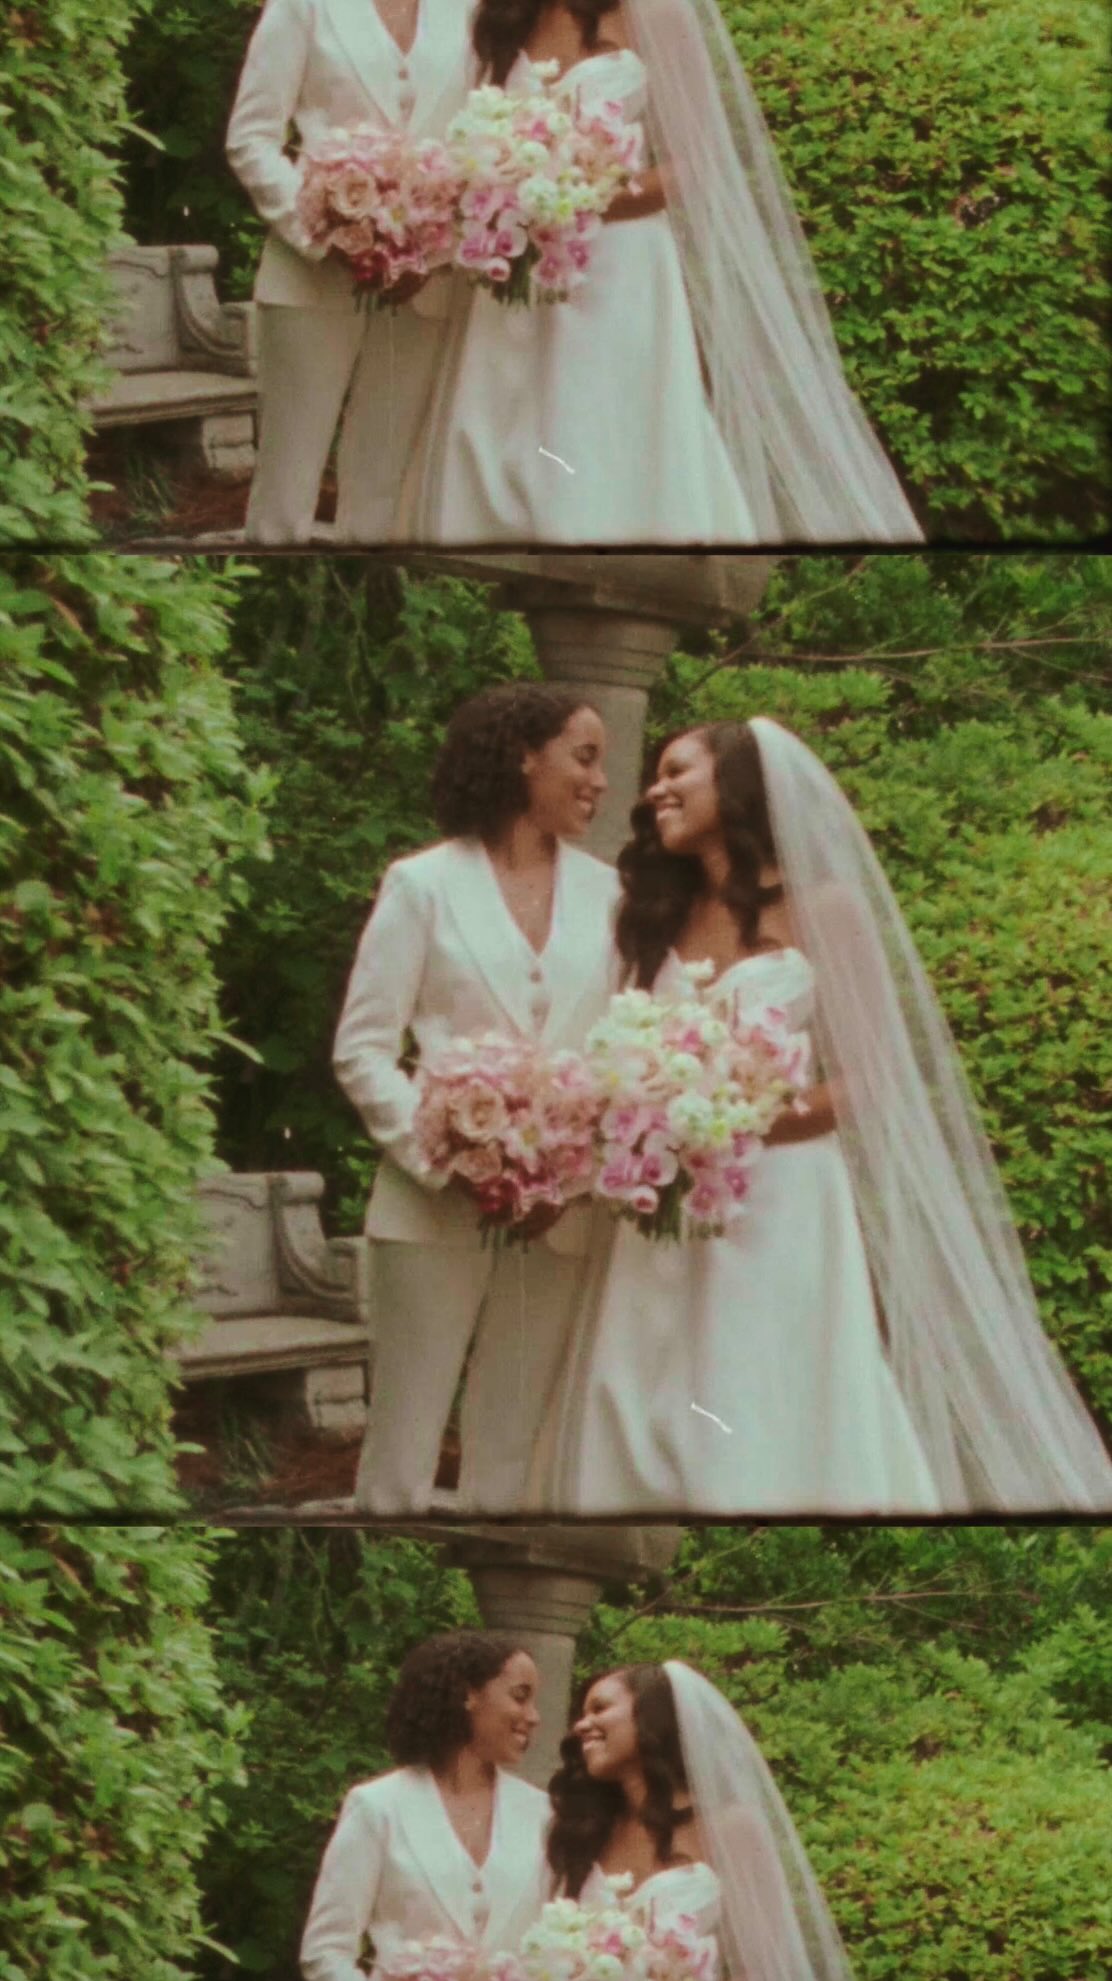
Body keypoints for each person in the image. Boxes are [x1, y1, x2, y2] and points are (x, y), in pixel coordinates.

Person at [536, 718, 1112, 1514]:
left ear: (736, 785)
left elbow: (870, 1078)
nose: (654, 790)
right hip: (664, 1197)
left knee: (756, 1385)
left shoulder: (824, 907)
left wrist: (736, 1120)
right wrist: (643, 1116)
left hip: (781, 1199)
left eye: (678, 771)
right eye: (656, 776)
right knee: (645, 1382)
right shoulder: (654, 912)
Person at [410, 0, 922, 544]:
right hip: (523, 264)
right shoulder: (506, 12)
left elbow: (696, 161)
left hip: (618, 265)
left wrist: (577, 198)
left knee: (601, 431)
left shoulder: (658, 11)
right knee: (510, 439)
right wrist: (502, 194)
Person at [334, 683, 617, 1516]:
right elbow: (362, 1047)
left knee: (511, 1451)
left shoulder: (610, 893)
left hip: (561, 1214)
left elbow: (620, 1054)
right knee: (402, 1443)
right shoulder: (423, 884)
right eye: (585, 756)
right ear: (523, 755)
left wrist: (569, 1171)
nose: (601, 779)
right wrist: (444, 1157)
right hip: (432, 1208)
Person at [226, 0, 474, 543]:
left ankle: (364, 619)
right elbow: (251, 137)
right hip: (312, 276)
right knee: (286, 482)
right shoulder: (303, 8)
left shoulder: (468, 11)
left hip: (425, 281)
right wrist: (327, 228)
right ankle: (272, 617)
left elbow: (478, 143)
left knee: (383, 490)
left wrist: (434, 246)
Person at [547, 1659, 855, 1981]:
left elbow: (762, 1963)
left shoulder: (731, 1828)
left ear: (651, 1717)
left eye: (599, 1708)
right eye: (582, 1715)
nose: (582, 1725)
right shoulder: (585, 1832)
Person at [301, 1631, 551, 1981]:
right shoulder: (378, 1806)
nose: (534, 1716)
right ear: (468, 1694)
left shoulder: (541, 1813)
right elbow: (325, 1950)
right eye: (520, 1696)